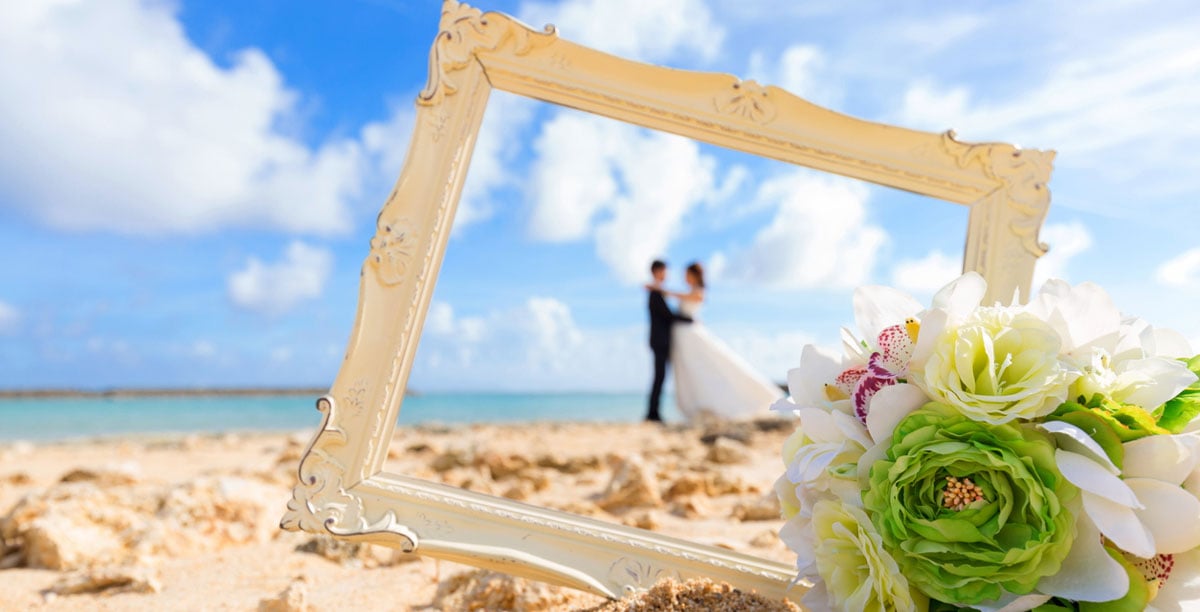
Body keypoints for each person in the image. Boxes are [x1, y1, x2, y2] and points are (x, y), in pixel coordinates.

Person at [652, 261, 783, 422]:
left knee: (711, 367)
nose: (684, 277)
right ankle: (697, 405)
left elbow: (686, 303)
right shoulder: (688, 292)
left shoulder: (698, 292)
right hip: (683, 338)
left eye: (687, 274)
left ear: (694, 275)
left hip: (691, 337)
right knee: (694, 372)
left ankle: (743, 399)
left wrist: (661, 290)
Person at [645, 260, 692, 422]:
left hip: (661, 340)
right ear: (657, 271)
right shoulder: (655, 293)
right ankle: (652, 413)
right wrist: (688, 320)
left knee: (660, 376)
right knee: (659, 376)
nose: (666, 274)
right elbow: (668, 316)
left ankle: (653, 412)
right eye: (664, 271)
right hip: (659, 341)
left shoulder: (657, 291)